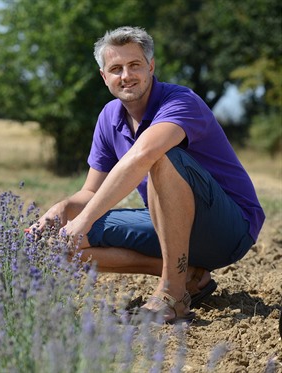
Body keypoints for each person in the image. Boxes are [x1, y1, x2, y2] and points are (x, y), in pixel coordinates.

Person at [32, 26, 265, 323]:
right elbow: (90, 192)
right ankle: (191, 276)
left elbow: (143, 157)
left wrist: (83, 221)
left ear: (151, 67)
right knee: (64, 247)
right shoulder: (108, 117)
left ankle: (173, 293)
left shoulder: (181, 102)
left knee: (160, 154)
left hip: (228, 228)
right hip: (167, 222)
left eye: (135, 65)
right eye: (115, 68)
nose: (126, 75)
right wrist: (63, 211)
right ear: (104, 77)